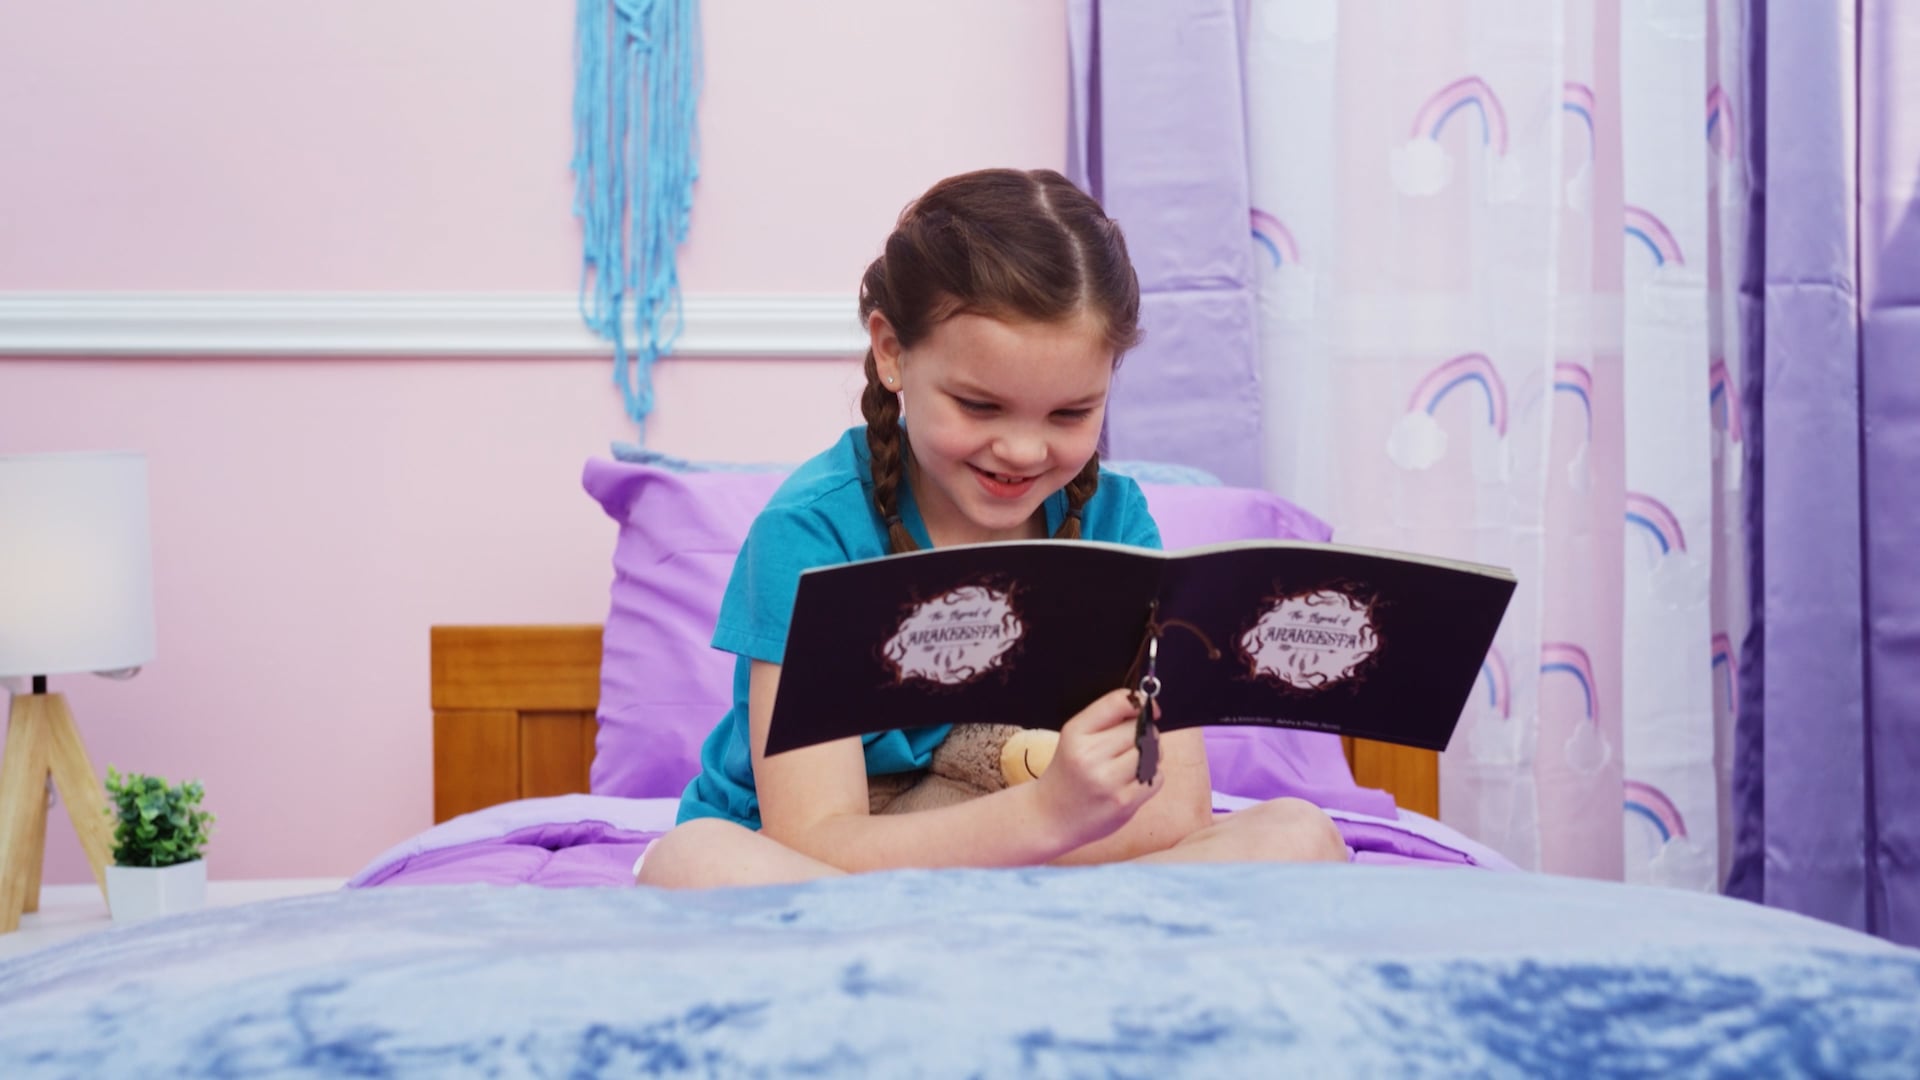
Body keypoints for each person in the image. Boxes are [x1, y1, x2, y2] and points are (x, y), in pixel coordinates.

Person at [638, 168, 1348, 887]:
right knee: (693, 860)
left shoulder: (1115, 522)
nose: (1022, 451)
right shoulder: (810, 533)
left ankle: (990, 932)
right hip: (844, 869)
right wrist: (1044, 816)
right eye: (979, 406)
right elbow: (815, 839)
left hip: (1037, 851)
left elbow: (1174, 810)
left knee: (1299, 832)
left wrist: (1051, 825)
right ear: (891, 353)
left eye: (1071, 414)